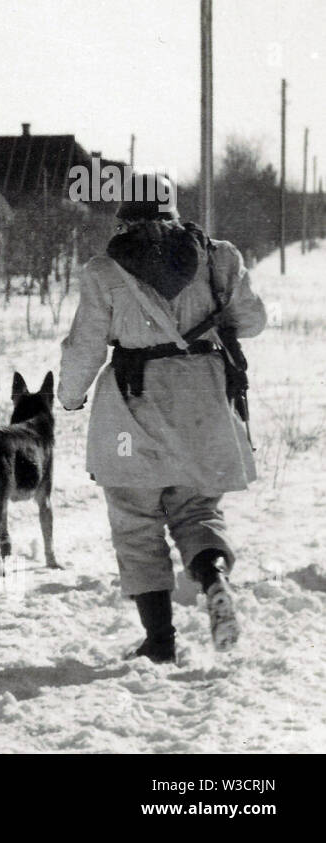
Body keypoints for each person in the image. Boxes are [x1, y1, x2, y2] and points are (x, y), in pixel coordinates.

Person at [58, 174, 266, 663]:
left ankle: (160, 641)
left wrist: (69, 397)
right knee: (196, 510)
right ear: (173, 209)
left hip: (135, 406)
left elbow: (86, 346)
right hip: (205, 402)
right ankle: (213, 579)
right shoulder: (220, 257)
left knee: (135, 521)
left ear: (125, 215)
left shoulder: (104, 270)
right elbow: (253, 321)